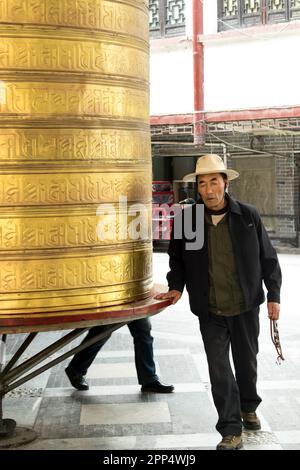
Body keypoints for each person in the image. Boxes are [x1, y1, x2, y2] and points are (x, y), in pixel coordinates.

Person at [155, 154, 281, 450]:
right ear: (196, 188)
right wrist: (176, 287)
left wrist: (274, 295)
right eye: (202, 183)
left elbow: (268, 258)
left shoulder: (248, 216)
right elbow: (177, 259)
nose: (208, 189)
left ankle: (248, 406)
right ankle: (229, 428)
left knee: (246, 363)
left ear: (225, 183)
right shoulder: (188, 219)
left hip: (245, 305)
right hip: (210, 309)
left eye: (214, 181)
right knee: (219, 369)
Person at [65, 317, 174, 394]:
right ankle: (76, 369)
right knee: (102, 332)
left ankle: (149, 379)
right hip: (109, 293)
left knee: (143, 331)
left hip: (134, 293)